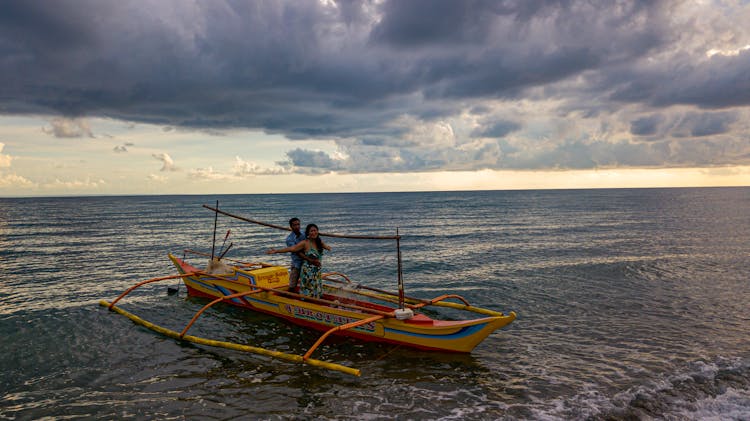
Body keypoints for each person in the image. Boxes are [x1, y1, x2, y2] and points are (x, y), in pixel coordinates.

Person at [267, 223, 331, 299]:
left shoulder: (319, 242)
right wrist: (276, 251)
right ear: (308, 233)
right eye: (311, 231)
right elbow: (292, 248)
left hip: (317, 271)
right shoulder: (305, 243)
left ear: (317, 231)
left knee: (316, 289)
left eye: (315, 230)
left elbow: (327, 247)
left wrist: (328, 247)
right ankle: (305, 304)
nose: (313, 233)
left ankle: (315, 302)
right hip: (308, 272)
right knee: (308, 290)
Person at [285, 217, 306, 291]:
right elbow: (297, 252)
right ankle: (289, 298)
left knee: (306, 282)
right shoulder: (289, 239)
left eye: (298, 224)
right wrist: (309, 259)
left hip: (306, 263)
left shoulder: (304, 234)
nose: (297, 226)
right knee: (292, 285)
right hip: (297, 263)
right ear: (291, 227)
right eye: (294, 225)